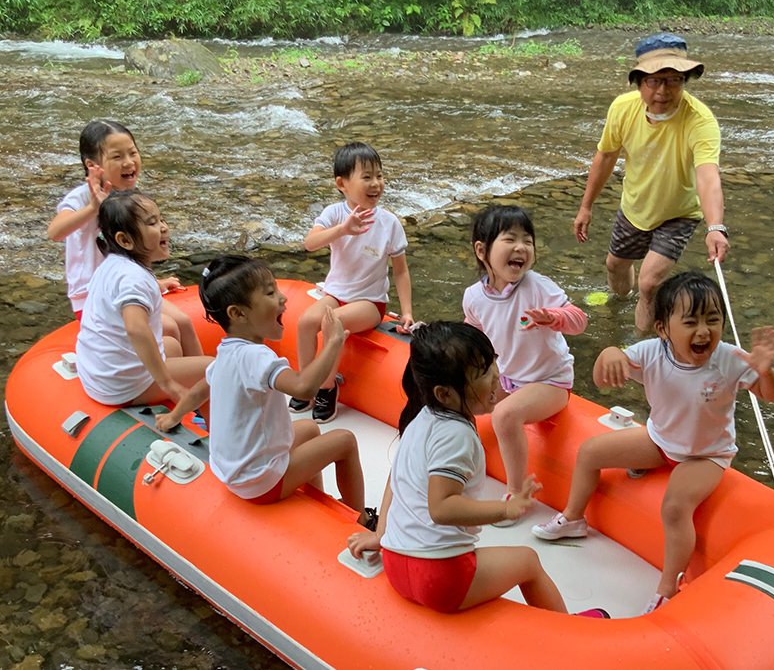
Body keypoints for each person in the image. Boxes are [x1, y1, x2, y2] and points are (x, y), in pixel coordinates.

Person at [532, 271, 774, 615]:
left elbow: (772, 396)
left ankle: (669, 587)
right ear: (663, 329)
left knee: (674, 507)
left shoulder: (729, 359)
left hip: (707, 455)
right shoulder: (652, 353)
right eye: (691, 322)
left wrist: (766, 372)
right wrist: (609, 353)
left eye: (713, 320)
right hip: (659, 439)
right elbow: (602, 379)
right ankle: (574, 519)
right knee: (590, 451)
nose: (703, 331)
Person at [347, 322, 608, 617]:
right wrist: (504, 510)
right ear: (445, 394)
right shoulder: (455, 434)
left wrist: (382, 536)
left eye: (492, 362)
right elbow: (442, 508)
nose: (496, 374)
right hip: (439, 578)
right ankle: (568, 633)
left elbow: (397, 481)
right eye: (482, 373)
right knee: (528, 561)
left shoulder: (419, 418)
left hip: (397, 565)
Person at [157, 255, 374, 525]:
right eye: (271, 293)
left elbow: (197, 394)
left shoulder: (225, 352)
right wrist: (333, 342)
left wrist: (172, 418)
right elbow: (304, 388)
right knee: (345, 441)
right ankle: (360, 519)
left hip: (235, 473)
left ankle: (316, 500)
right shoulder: (257, 357)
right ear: (238, 313)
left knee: (309, 430)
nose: (283, 299)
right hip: (260, 481)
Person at [572, 34, 731, 331]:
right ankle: (619, 308)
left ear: (684, 80)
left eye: (673, 80)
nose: (662, 91)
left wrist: (715, 227)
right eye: (653, 81)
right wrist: (585, 207)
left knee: (648, 284)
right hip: (635, 206)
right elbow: (606, 156)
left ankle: (639, 347)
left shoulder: (700, 120)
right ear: (639, 82)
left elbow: (708, 176)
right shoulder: (622, 109)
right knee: (615, 267)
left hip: (679, 213)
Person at [462, 205, 587, 527]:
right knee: (461, 400)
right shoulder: (474, 297)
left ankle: (517, 494)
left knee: (505, 415)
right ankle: (455, 464)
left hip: (550, 381)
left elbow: (579, 321)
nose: (521, 247)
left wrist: (554, 317)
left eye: (527, 241)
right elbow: (474, 333)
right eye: (510, 239)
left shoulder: (537, 286)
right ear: (482, 250)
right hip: (507, 380)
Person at [48, 119, 201, 355]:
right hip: (93, 296)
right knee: (168, 330)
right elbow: (55, 232)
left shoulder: (131, 195)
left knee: (183, 322)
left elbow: (131, 251)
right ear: (93, 165)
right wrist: (92, 208)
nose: (129, 162)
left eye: (133, 153)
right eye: (117, 157)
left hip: (129, 288)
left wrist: (153, 283)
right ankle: (171, 384)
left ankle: (206, 385)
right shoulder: (81, 197)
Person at [290, 141, 413, 424]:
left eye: (379, 176)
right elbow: (310, 243)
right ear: (342, 183)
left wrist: (406, 312)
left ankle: (326, 388)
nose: (376, 184)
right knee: (306, 321)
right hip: (335, 293)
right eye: (367, 177)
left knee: (333, 323)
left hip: (370, 302)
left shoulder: (389, 223)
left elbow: (401, 272)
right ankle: (304, 383)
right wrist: (343, 229)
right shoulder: (335, 214)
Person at [75, 190, 212, 408]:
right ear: (125, 240)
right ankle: (217, 434)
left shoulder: (112, 264)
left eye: (161, 219)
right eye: (152, 223)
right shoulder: (134, 278)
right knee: (215, 370)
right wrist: (167, 383)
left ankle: (195, 406)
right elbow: (136, 328)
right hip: (121, 386)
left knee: (172, 346)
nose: (164, 227)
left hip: (98, 374)